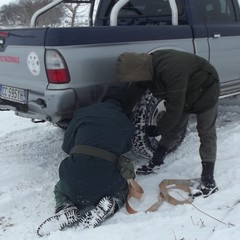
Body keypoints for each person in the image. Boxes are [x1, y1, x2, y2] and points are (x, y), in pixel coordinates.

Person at [117, 49, 220, 198]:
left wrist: (159, 128)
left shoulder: (170, 69)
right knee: (174, 129)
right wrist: (123, 112)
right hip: (185, 90)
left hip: (205, 88)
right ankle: (157, 161)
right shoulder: (144, 68)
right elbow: (136, 89)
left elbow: (175, 108)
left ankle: (209, 181)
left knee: (206, 132)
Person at [37, 88, 135, 237]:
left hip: (74, 180)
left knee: (59, 188)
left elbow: (67, 146)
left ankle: (65, 207)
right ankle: (112, 202)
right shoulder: (126, 123)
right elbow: (125, 148)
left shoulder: (83, 113)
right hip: (106, 184)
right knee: (124, 189)